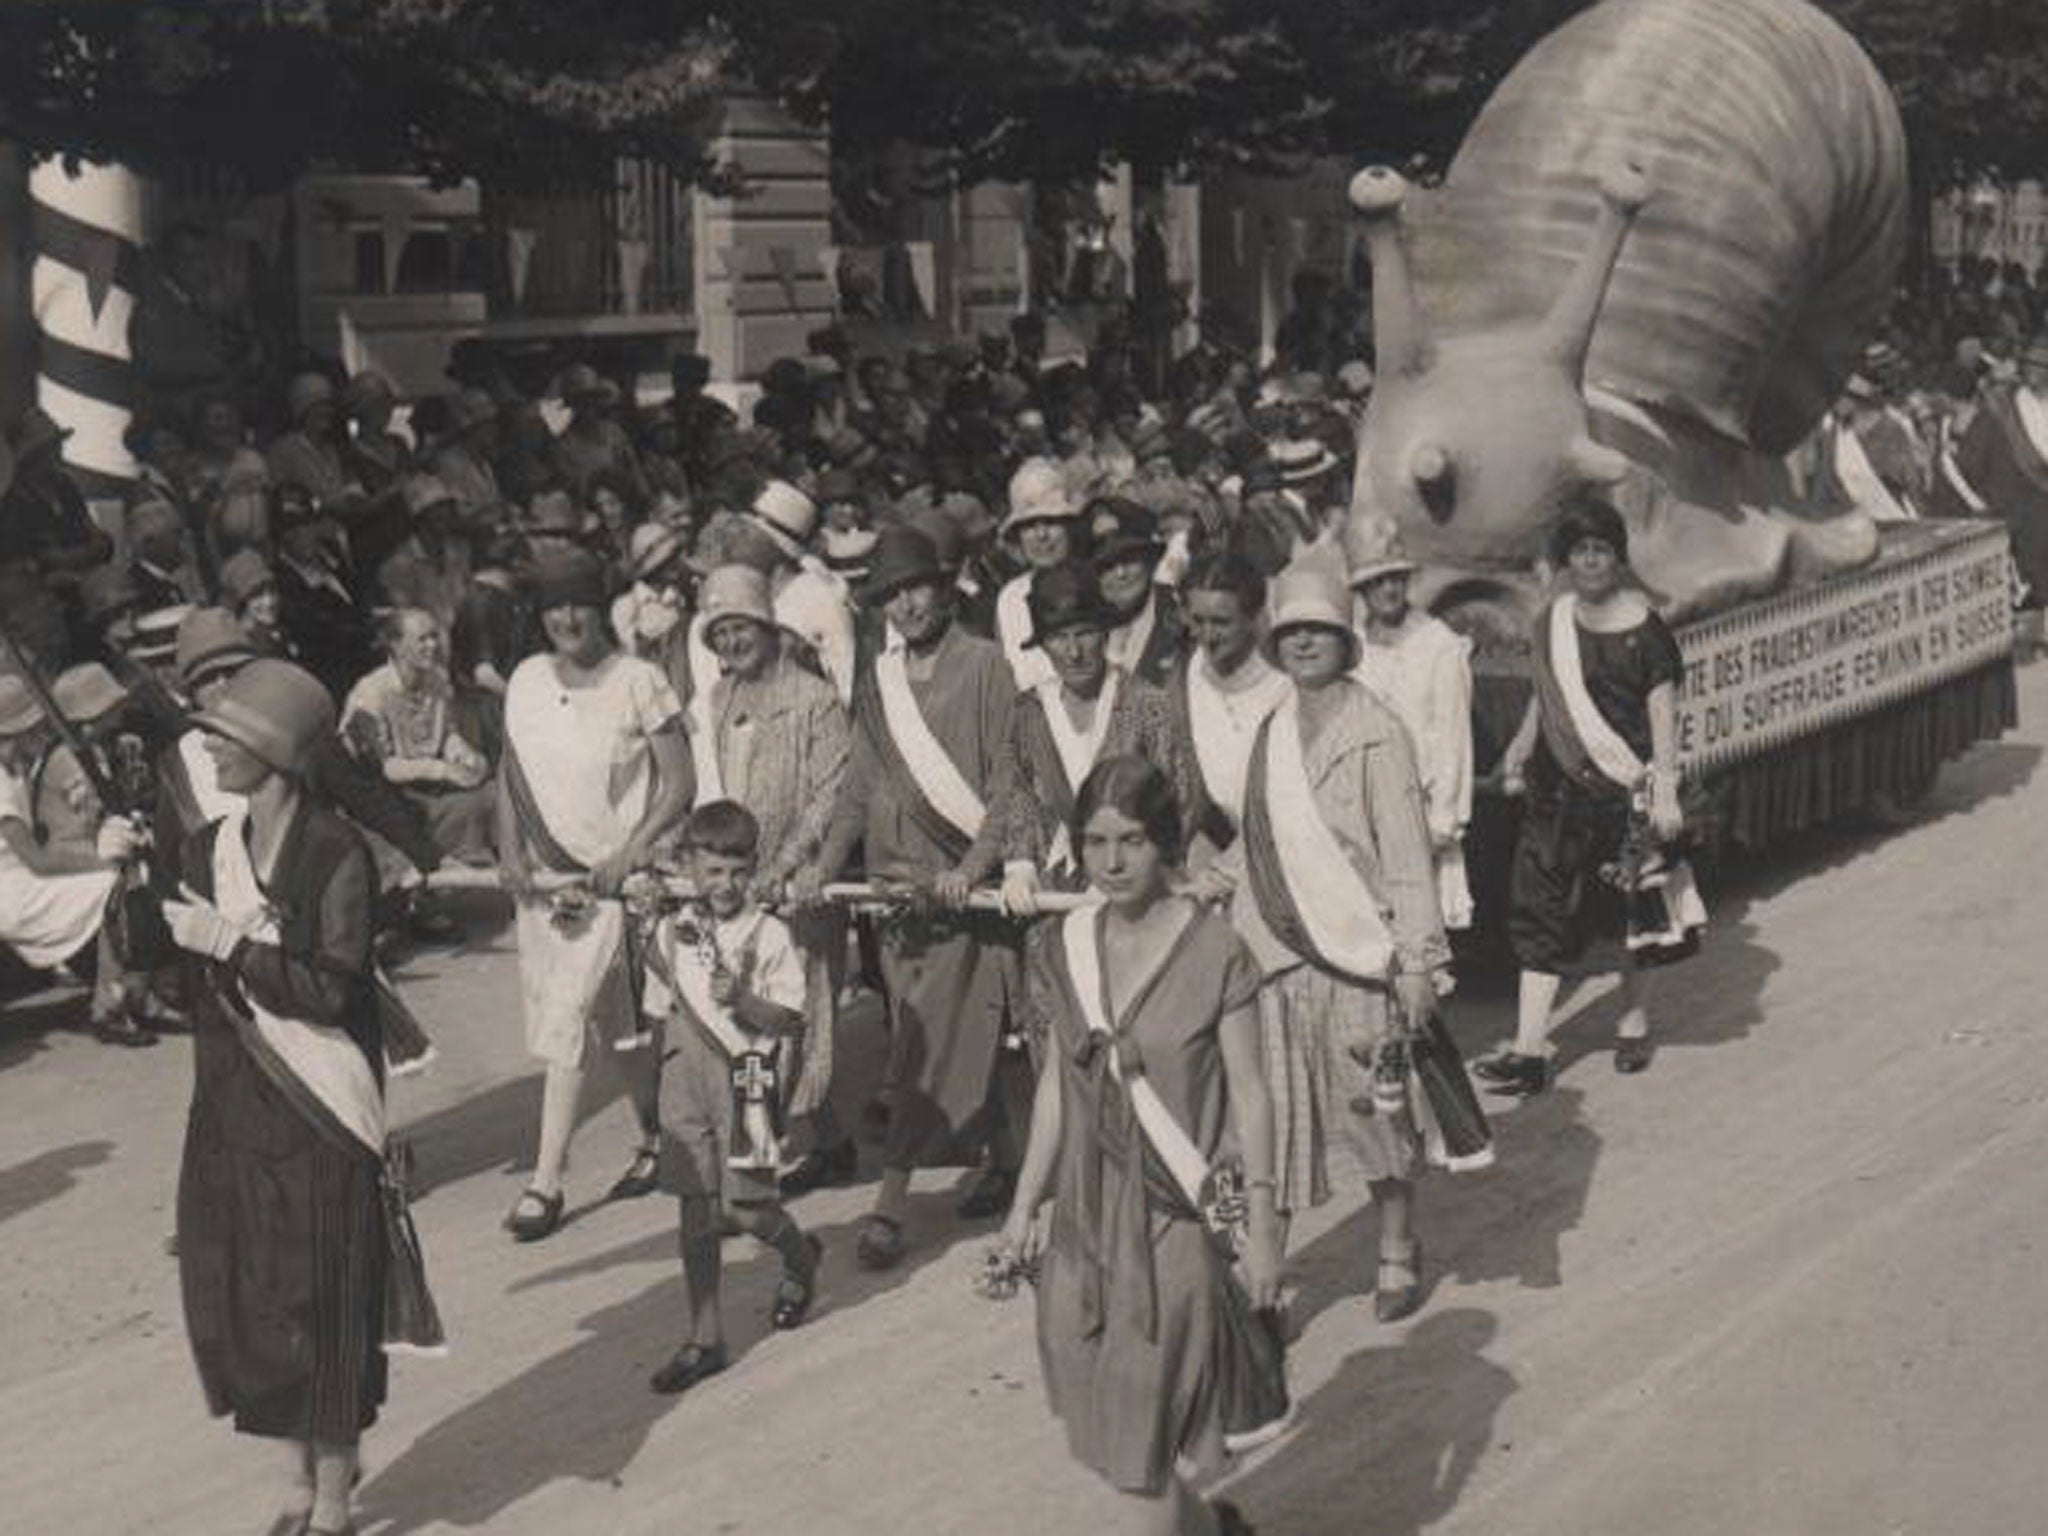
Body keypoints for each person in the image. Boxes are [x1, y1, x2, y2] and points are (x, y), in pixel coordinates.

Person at [1194, 553, 1491, 1323]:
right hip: (1270, 952)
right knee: (1277, 1121)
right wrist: (1210, 875)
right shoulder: (1270, 732)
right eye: (1291, 633)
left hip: (1359, 957)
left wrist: (1420, 961)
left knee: (1372, 1111)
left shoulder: (1377, 733)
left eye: (1319, 632)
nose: (1303, 645)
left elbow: (1405, 858)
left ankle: (1397, 1246)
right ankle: (1270, 1275)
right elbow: (1257, 839)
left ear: (1344, 640)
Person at [996, 755, 1281, 1536]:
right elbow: (1058, 1082)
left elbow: (1253, 1095)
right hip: (1085, 1224)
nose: (1111, 863)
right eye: (1094, 843)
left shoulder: (1216, 951)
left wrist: (1262, 1231)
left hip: (1177, 1222)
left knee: (1137, 1446)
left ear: (1167, 844)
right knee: (1107, 1431)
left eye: (1131, 842)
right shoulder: (1064, 945)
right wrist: (1025, 1205)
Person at [162, 659, 406, 1536]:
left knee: (328, 1297)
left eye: (224, 733)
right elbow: (163, 974)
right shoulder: (203, 849)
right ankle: (296, 1481)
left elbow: (334, 991)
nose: (207, 745)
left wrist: (231, 943)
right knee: (255, 1297)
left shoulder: (334, 851)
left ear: (271, 750)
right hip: (233, 1105)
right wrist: (122, 879)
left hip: (320, 1106)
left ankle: (335, 1499)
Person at [807, 527, 1027, 1267]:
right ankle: (1004, 1154)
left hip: (961, 892)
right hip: (896, 899)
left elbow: (1009, 783)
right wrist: (826, 864)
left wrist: (976, 863)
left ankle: (891, 1204)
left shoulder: (988, 668)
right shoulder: (879, 681)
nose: (905, 604)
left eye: (916, 587)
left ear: (945, 586)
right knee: (948, 1034)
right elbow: (856, 788)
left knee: (919, 1048)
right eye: (891, 594)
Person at [496, 546, 693, 1240]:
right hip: (544, 883)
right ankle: (654, 1139)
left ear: (601, 608)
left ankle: (546, 1180)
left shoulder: (638, 680)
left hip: (612, 885)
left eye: (578, 603)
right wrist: (509, 848)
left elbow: (679, 782)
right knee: (617, 1027)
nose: (567, 619)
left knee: (568, 1019)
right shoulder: (524, 680)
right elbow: (509, 773)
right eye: (554, 608)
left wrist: (630, 852)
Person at [1479, 496, 1704, 1096]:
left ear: (1618, 557)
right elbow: (1542, 696)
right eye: (1579, 552)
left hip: (1623, 793)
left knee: (1630, 913)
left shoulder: (1648, 632)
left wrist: (1663, 789)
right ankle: (1529, 1049)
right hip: (1557, 793)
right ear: (1565, 561)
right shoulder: (1552, 622)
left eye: (1600, 550)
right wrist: (1519, 753)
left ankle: (1631, 1023)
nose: (1590, 562)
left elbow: (1663, 714)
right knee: (1538, 907)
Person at [686, 566, 857, 1195]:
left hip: (797, 887)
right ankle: (825, 1142)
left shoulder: (815, 698)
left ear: (768, 627)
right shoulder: (718, 700)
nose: (733, 642)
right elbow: (712, 788)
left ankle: (763, 1160)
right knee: (750, 1019)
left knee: (797, 1016)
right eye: (721, 630)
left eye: (742, 627)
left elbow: (829, 794)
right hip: (737, 883)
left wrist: (783, 867)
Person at [644, 800, 824, 1395]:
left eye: (738, 871)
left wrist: (743, 1000)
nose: (726, 884)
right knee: (696, 1209)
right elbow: (660, 1012)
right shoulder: (671, 931)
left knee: (745, 1210)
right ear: (690, 867)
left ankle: (801, 1258)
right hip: (684, 1077)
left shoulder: (770, 933)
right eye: (713, 870)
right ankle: (705, 1337)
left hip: (748, 1077)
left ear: (754, 868)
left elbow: (791, 1021)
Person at [1001, 561, 1200, 897]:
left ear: (1106, 634)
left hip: (1134, 885)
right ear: (1043, 645)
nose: (1074, 652)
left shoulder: (1146, 704)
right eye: (1059, 638)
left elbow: (1179, 802)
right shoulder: (1029, 712)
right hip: (1055, 890)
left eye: (1084, 633)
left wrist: (1134, 872)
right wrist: (1020, 868)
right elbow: (1020, 795)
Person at [0, 673, 154, 1046]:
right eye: (34, 728)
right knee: (110, 886)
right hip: (11, 886)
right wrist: (103, 864)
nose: (41, 734)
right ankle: (112, 1004)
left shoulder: (14, 771)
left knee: (115, 882)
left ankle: (121, 995)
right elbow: (36, 861)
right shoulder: (2, 783)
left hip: (21, 876)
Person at [1347, 519, 1476, 931]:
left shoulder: (1439, 646)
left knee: (1417, 938)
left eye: (1397, 578)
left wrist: (1443, 821)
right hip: (1360, 808)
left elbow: (1453, 738)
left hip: (1418, 809)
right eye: (1378, 580)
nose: (1389, 589)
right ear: (1361, 588)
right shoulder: (1353, 646)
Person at [341, 609, 496, 870]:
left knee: (492, 794)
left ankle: (472, 866)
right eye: (422, 639)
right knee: (462, 807)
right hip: (382, 796)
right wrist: (442, 770)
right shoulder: (370, 694)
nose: (432, 646)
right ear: (397, 645)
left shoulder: (437, 680)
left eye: (434, 637)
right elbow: (385, 767)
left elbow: (447, 733)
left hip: (424, 785)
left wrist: (463, 755)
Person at [1166, 554, 1291, 869]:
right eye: (1197, 621)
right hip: (1212, 848)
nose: (1207, 635)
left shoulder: (1286, 684)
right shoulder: (1183, 679)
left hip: (1287, 850)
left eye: (1221, 622)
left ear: (1253, 617)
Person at [994, 456, 1087, 691]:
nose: (1041, 535)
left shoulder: (1094, 582)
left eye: (1051, 522)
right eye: (1029, 525)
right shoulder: (1010, 598)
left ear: (1070, 526)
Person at [1088, 498, 1185, 687]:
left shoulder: (1177, 617)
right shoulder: (1094, 628)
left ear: (1149, 561)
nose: (1120, 574)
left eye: (1129, 560)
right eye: (1107, 565)